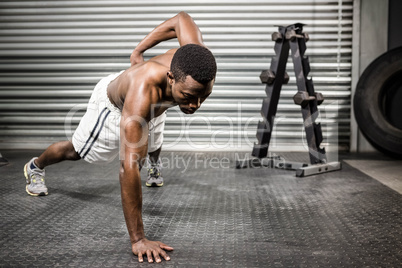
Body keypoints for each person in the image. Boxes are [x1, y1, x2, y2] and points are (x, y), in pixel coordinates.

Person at [23, 12, 217, 263]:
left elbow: (181, 19)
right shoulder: (141, 93)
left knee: (154, 142)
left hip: (156, 105)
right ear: (171, 78)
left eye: (204, 95)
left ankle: (154, 167)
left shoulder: (196, 56)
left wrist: (138, 50)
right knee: (77, 151)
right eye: (189, 96)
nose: (196, 105)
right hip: (113, 108)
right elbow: (128, 168)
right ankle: (35, 166)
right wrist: (138, 240)